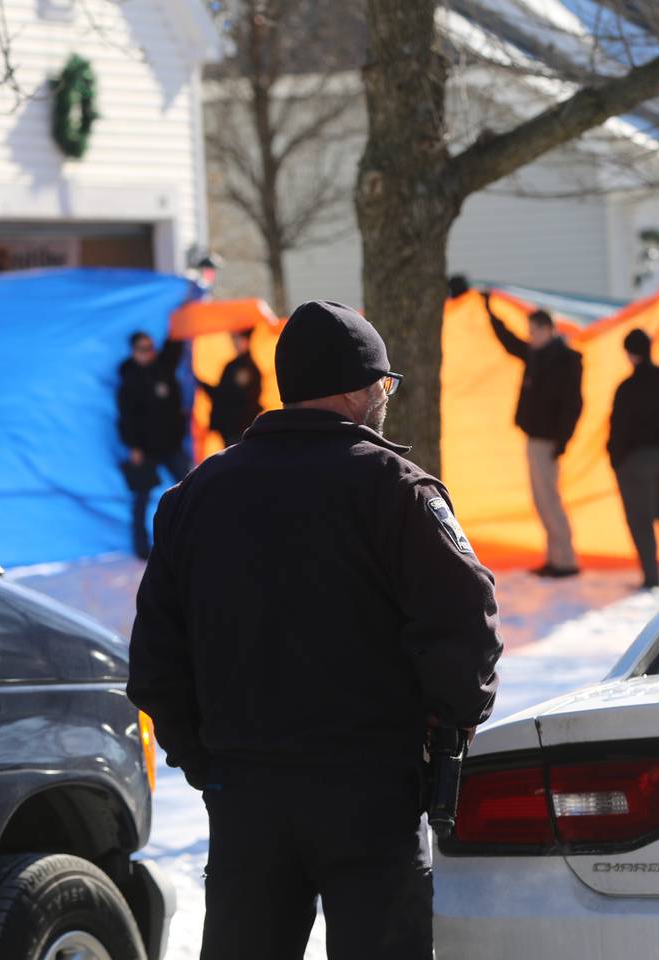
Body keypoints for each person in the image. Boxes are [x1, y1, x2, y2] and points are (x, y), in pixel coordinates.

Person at [127, 300, 502, 960]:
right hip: (370, 795)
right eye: (384, 384)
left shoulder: (196, 496)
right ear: (359, 389)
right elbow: (466, 621)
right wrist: (444, 732)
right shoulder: (394, 489)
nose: (385, 397)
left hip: (245, 796)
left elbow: (155, 664)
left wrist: (212, 762)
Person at [483, 291, 583, 578]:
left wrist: (562, 441)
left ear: (549, 329)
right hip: (536, 436)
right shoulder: (536, 354)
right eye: (530, 330)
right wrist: (489, 311)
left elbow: (573, 404)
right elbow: (510, 343)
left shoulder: (566, 359)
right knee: (542, 500)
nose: (531, 335)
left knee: (550, 500)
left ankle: (566, 561)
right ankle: (556, 558)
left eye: (535, 330)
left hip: (549, 440)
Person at [607, 329, 659, 590]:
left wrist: (616, 459)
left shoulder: (627, 388)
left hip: (634, 459)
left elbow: (618, 427)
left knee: (641, 519)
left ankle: (651, 577)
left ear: (630, 354)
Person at [117, 331, 191, 559]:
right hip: (145, 448)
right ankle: (141, 547)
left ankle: (192, 537)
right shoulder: (129, 381)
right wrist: (133, 447)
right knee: (142, 497)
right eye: (142, 348)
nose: (148, 352)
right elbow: (125, 417)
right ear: (133, 351)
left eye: (150, 347)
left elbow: (175, 344)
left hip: (171, 444)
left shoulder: (163, 368)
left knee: (190, 488)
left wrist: (182, 312)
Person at [199, 328, 262, 447]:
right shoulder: (235, 366)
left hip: (238, 426)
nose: (233, 342)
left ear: (245, 340)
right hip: (233, 426)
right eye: (232, 338)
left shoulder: (245, 368)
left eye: (236, 338)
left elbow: (228, 396)